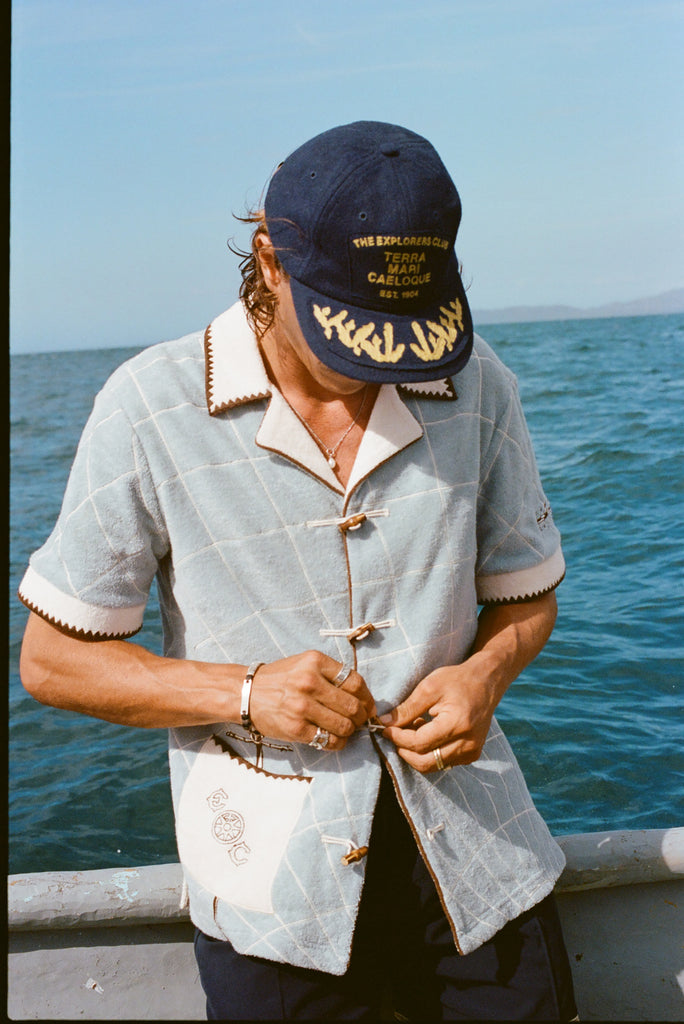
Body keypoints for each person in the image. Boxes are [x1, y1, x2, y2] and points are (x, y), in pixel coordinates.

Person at [19, 121, 578, 1021]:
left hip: (481, 863)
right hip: (271, 897)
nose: (380, 370)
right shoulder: (146, 407)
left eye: (407, 336)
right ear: (270, 260)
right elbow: (52, 662)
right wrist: (246, 692)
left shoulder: (482, 387)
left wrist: (484, 674)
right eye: (354, 337)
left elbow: (528, 595)